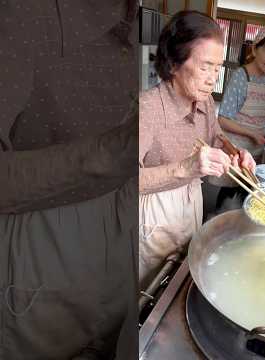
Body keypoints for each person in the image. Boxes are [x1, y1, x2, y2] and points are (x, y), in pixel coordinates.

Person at [0, 1, 138, 359]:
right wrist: (115, 151)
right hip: (44, 248)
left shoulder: (145, 19)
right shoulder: (22, 14)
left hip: (123, 233)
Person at [139, 11, 255, 289]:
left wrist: (234, 153)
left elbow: (215, 135)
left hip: (191, 204)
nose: (212, 79)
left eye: (217, 68)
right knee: (149, 288)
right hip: (154, 215)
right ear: (174, 63)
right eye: (205, 67)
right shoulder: (147, 109)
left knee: (179, 278)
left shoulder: (203, 103)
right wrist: (186, 167)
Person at [209, 27, 265, 208]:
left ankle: (241, 224)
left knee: (249, 189)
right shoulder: (240, 77)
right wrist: (251, 133)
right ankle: (221, 220)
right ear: (254, 50)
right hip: (236, 146)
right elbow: (223, 119)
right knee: (230, 187)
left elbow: (255, 111)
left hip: (256, 146)